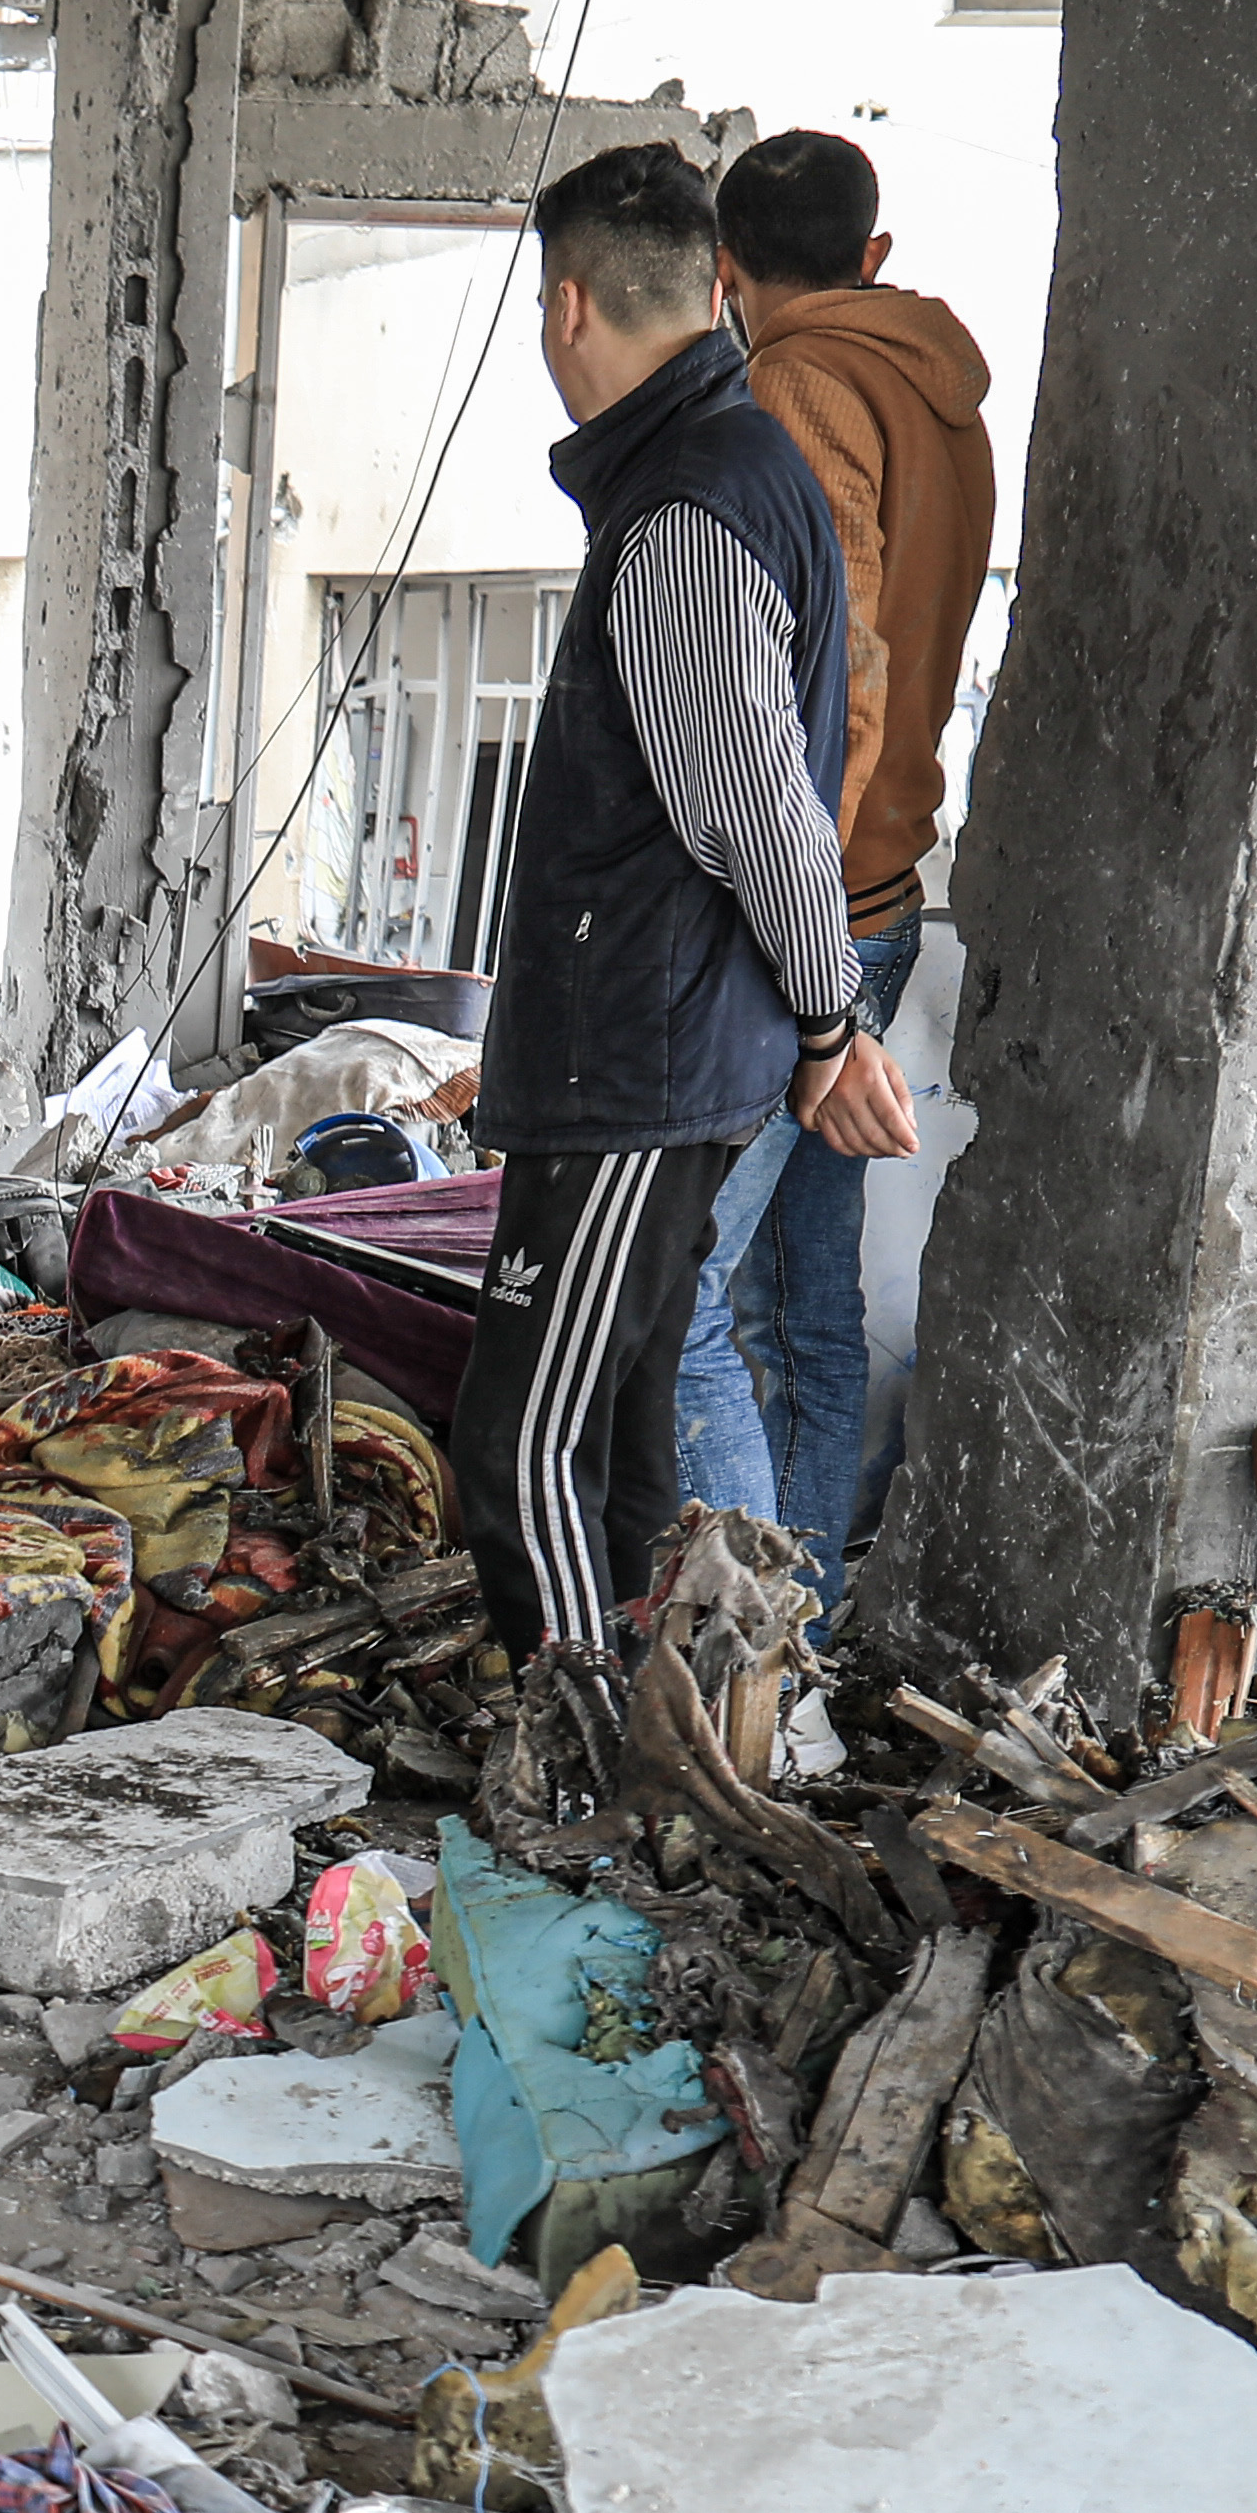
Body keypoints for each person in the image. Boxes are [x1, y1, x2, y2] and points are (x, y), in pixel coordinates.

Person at [451, 141, 916, 1683]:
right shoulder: (724, 463)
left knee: (523, 1445)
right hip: (667, 1042)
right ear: (714, 288)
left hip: (634, 1062)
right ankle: (683, 1749)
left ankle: (588, 1759)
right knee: (632, 1432)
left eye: (540, 305)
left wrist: (829, 1016)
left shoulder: (684, 515)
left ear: (567, 305)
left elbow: (756, 810)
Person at [660, 126, 997, 1612]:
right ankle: (798, 1635)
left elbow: (834, 686)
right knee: (805, 1301)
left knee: (677, 1307)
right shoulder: (942, 403)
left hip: (813, 914)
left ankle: (743, 1647)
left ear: (724, 275)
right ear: (873, 260)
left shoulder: (793, 396)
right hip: (886, 890)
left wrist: (794, 964)